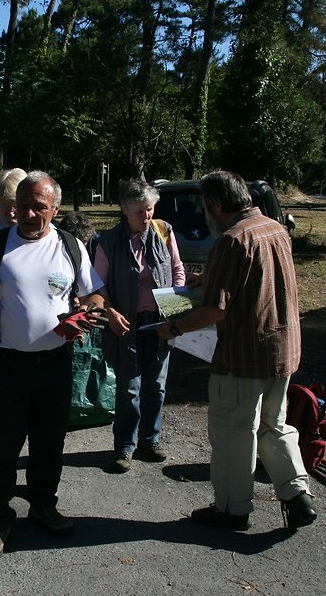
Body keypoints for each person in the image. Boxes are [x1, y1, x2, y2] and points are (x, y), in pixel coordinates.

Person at [0, 171, 112, 562]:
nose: (28, 214)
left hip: (55, 361)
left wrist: (89, 313)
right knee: (3, 444)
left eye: (38, 207)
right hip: (6, 361)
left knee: (49, 441)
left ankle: (42, 506)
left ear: (55, 209)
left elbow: (94, 295)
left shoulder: (70, 246)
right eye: (22, 205)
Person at [155, 170, 316, 531]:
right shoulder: (273, 228)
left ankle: (232, 509)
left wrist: (173, 328)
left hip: (243, 356)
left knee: (233, 432)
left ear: (215, 205)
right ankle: (298, 496)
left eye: (204, 208)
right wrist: (206, 279)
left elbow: (214, 311)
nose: (204, 216)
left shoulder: (232, 239)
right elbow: (255, 278)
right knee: (274, 425)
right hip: (282, 349)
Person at [95, 180, 186, 472]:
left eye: (149, 209)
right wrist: (110, 312)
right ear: (124, 210)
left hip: (159, 321)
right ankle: (124, 446)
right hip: (126, 325)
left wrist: (176, 310)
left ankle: (150, 439)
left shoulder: (164, 231)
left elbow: (177, 270)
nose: (146, 216)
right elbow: (97, 286)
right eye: (139, 211)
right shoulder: (108, 242)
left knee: (156, 386)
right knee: (129, 390)